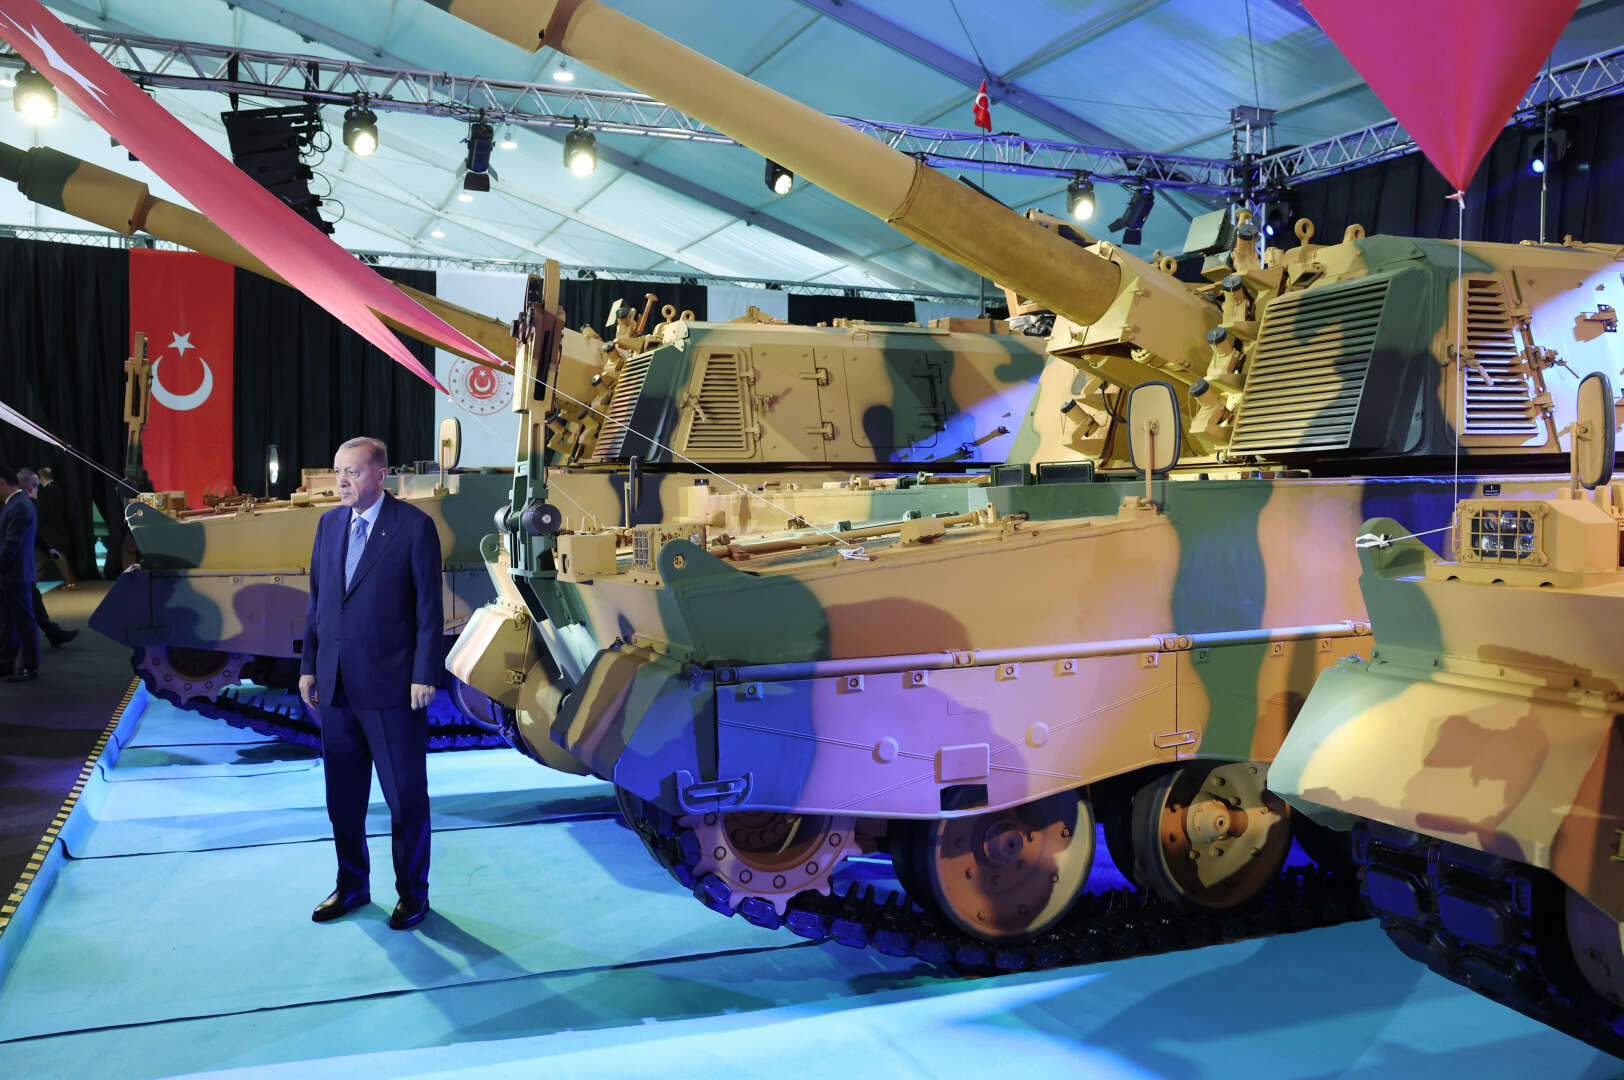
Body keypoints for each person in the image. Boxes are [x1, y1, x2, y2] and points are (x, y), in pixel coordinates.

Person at [298, 437, 441, 931]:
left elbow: (429, 610)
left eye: (353, 472)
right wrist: (309, 665)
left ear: (381, 475)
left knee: (405, 800)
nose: (341, 481)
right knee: (343, 799)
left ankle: (413, 894)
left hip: (392, 689)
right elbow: (318, 602)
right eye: (338, 471)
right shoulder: (329, 524)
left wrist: (424, 673)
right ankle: (352, 885)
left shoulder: (414, 527)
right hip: (336, 688)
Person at [17, 469, 78, 650]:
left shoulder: (25, 503)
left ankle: (53, 634)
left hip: (20, 565)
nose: (38, 488)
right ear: (26, 486)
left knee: (32, 599)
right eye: (35, 485)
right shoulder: (20, 504)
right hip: (14, 565)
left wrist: (47, 548)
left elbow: (31, 531)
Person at [0, 464, 41, 683]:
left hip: (15, 574)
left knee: (23, 622)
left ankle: (29, 666)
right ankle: (7, 663)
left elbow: (11, 544)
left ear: (2, 482)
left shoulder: (19, 506)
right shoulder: (17, 504)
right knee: (11, 622)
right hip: (14, 573)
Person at [34, 466, 78, 589]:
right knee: (42, 559)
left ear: (42, 477)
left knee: (53, 557)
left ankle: (70, 581)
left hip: (49, 531)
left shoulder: (49, 490)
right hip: (53, 530)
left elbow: (44, 511)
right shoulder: (56, 488)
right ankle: (70, 581)